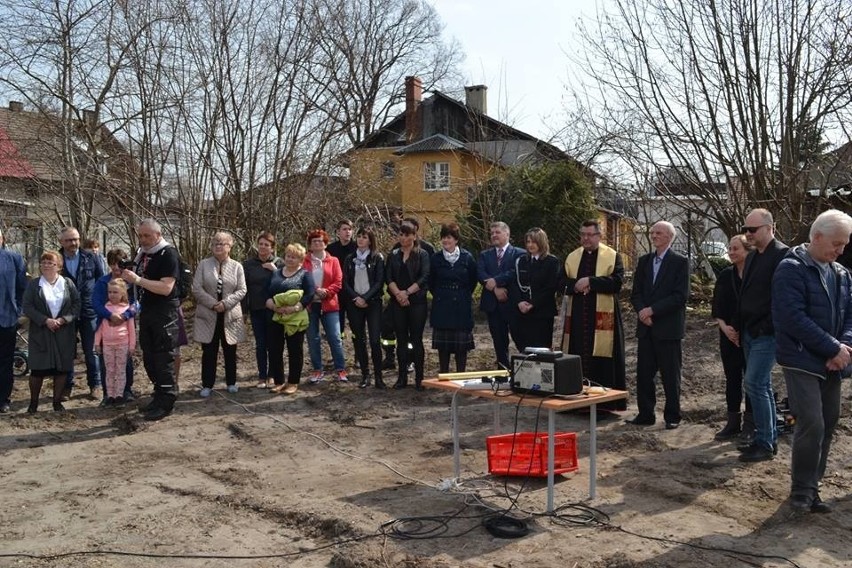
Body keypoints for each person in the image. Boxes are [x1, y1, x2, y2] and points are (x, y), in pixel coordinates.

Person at [772, 209, 852, 514]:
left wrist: (843, 348)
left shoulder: (842, 274)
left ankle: (813, 487)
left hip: (834, 361)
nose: (841, 250)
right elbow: (792, 317)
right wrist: (832, 347)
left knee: (829, 421)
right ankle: (802, 491)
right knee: (812, 423)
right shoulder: (790, 269)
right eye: (836, 243)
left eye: (844, 244)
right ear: (816, 237)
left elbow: (850, 316)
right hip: (801, 359)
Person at [626, 221, 689, 429]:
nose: (653, 236)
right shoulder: (644, 262)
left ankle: (672, 416)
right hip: (646, 328)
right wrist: (642, 311)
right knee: (644, 374)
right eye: (652, 232)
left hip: (668, 328)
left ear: (669, 237)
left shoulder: (680, 262)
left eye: (658, 233)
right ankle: (646, 414)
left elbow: (680, 296)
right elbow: (636, 293)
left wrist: (652, 310)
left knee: (670, 375)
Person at [737, 208, 788, 462]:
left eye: (753, 230)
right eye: (746, 229)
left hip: (766, 332)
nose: (748, 234)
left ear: (770, 228)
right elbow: (746, 292)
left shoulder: (782, 255)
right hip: (750, 329)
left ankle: (766, 442)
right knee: (761, 385)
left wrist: (766, 326)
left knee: (756, 383)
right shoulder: (755, 256)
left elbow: (782, 299)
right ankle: (766, 438)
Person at [561, 220, 627, 411]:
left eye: (590, 235)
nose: (585, 238)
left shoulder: (613, 256)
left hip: (603, 318)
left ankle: (605, 404)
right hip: (578, 318)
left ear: (599, 236)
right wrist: (576, 285)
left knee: (603, 359)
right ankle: (576, 403)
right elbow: (561, 283)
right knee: (577, 355)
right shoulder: (572, 257)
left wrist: (591, 282)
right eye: (582, 234)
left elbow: (617, 282)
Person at [120, 219, 181, 421]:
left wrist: (137, 280)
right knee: (150, 357)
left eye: (147, 235)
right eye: (140, 235)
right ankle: (157, 396)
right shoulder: (144, 254)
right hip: (146, 311)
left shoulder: (168, 254)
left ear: (158, 234)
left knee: (164, 358)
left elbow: (166, 288)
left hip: (164, 313)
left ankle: (166, 401)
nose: (143, 239)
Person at [23, 251, 81, 413]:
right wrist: (45, 320)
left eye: (51, 263)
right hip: (41, 332)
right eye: (44, 263)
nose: (47, 266)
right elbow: (27, 306)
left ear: (59, 266)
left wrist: (63, 320)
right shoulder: (34, 285)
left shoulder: (68, 284)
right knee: (38, 370)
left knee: (61, 369)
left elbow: (77, 305)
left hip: (63, 332)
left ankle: (57, 402)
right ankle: (33, 403)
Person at [193, 231, 247, 397]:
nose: (218, 246)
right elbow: (196, 288)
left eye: (222, 243)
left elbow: (242, 289)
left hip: (230, 315)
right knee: (209, 351)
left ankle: (231, 382)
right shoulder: (203, 264)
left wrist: (225, 303)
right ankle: (207, 385)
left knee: (230, 350)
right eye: (215, 243)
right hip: (208, 315)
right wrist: (213, 304)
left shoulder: (237, 266)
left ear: (229, 247)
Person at [711, 235, 753, 440]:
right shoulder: (725, 275)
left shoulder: (755, 275)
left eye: (736, 248)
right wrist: (726, 328)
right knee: (732, 379)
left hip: (751, 334)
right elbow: (717, 305)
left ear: (747, 250)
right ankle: (733, 422)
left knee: (752, 380)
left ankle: (751, 424)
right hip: (728, 335)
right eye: (730, 248)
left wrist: (738, 330)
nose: (731, 251)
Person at [381, 216, 435, 370]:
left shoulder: (425, 250)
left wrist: (408, 293)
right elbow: (389, 274)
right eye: (401, 231)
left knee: (414, 337)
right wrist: (398, 294)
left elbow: (426, 275)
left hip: (417, 300)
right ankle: (391, 357)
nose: (403, 235)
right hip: (396, 300)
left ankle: (412, 362)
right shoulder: (395, 251)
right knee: (390, 330)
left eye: (407, 230)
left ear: (415, 232)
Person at [59, 226, 104, 400]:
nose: (74, 243)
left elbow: (101, 281)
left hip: (88, 311)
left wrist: (99, 305)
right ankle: (66, 387)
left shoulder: (91, 257)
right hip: (66, 312)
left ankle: (95, 385)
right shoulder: (56, 259)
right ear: (61, 242)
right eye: (69, 240)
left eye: (76, 239)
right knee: (67, 352)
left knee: (91, 350)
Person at [429, 222, 478, 373]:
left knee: (461, 348)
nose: (445, 241)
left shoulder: (467, 257)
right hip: (442, 306)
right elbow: (431, 282)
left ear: (456, 239)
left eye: (449, 237)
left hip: (461, 307)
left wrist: (461, 294)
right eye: (443, 237)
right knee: (443, 348)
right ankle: (444, 376)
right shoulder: (435, 258)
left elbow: (473, 280)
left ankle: (460, 377)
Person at [267, 243, 315, 394]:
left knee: (295, 350)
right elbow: (267, 292)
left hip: (296, 318)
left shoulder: (305, 274)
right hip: (277, 316)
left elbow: (310, 294)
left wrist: (295, 308)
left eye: (294, 257)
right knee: (275, 350)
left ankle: (293, 382)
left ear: (301, 259)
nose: (290, 259)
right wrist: (273, 306)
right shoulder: (276, 273)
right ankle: (279, 381)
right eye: (288, 256)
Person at [477, 221, 526, 371]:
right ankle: (503, 370)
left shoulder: (519, 253)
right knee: (499, 340)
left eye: (497, 232)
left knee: (520, 339)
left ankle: (526, 368)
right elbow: (480, 273)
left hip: (512, 304)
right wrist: (495, 288)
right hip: (493, 305)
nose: (494, 235)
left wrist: (496, 281)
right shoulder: (485, 255)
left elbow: (514, 272)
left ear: (507, 234)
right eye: (492, 233)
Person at [342, 227, 386, 389]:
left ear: (370, 240)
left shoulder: (377, 258)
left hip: (373, 303)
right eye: (359, 236)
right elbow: (345, 282)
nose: (360, 239)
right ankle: (365, 375)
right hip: (354, 303)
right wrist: (356, 298)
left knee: (375, 340)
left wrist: (366, 298)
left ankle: (379, 377)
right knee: (359, 339)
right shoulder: (349, 258)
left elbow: (379, 281)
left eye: (364, 237)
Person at [93, 248, 138, 401]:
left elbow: (137, 302)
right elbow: (96, 303)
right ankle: (108, 394)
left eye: (120, 264)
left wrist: (126, 315)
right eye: (113, 264)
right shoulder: (103, 282)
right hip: (105, 327)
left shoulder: (131, 281)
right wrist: (109, 315)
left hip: (125, 327)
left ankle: (126, 391)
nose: (117, 268)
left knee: (125, 363)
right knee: (107, 364)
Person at [303, 229, 347, 382]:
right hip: (310, 305)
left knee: (335, 337)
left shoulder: (333, 260)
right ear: (310, 245)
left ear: (325, 243)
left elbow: (338, 281)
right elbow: (301, 280)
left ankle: (341, 369)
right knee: (313, 338)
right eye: (314, 241)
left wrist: (326, 292)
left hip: (330, 305)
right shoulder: (305, 261)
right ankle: (317, 370)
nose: (317, 243)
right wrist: (315, 291)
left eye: (320, 241)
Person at [509, 227, 561, 351]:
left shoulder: (551, 262)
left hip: (542, 313)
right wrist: (520, 302)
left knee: (540, 349)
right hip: (522, 313)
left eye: (533, 242)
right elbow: (514, 283)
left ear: (541, 242)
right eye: (528, 242)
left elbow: (550, 287)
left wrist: (533, 304)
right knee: (523, 347)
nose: (530, 245)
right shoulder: (520, 261)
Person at [243, 231, 283, 389]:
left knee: (274, 343)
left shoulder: (279, 263)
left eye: (267, 245)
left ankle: (272, 375)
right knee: (260, 344)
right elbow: (244, 289)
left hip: (275, 308)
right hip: (256, 308)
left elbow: (286, 284)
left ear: (272, 248)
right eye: (260, 244)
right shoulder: (248, 264)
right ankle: (262, 376)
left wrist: (275, 270)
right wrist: (244, 311)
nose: (263, 247)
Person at [0, 229, 27, 413]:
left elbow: (22, 288)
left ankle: (3, 399)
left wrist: (18, 312)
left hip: (7, 319)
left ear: (2, 239)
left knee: (5, 361)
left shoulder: (14, 259)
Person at [327, 219, 356, 337]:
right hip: (336, 291)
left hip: (353, 291)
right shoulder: (331, 249)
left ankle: (359, 353)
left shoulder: (356, 248)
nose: (347, 232)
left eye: (350, 229)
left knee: (356, 326)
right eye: (344, 229)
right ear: (338, 232)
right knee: (338, 327)